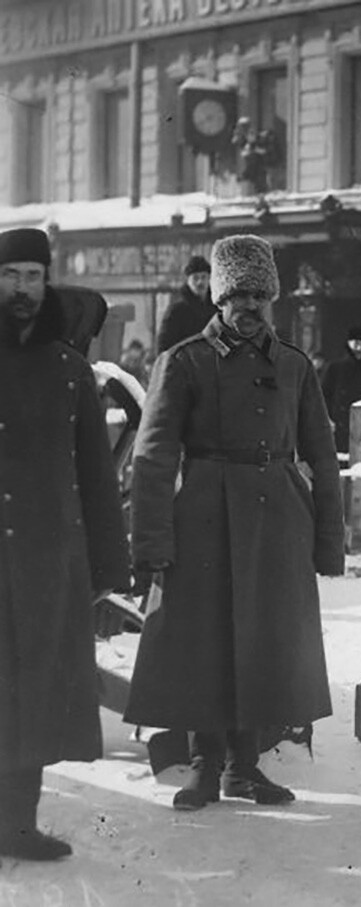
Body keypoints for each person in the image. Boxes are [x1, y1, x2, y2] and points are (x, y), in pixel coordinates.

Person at [124, 234, 344, 811]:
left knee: (265, 640)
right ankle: (203, 766)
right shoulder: (184, 361)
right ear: (219, 298)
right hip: (203, 518)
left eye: (259, 295)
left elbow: (322, 457)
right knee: (205, 640)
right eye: (237, 294)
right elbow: (151, 457)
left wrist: (327, 542)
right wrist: (151, 541)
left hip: (278, 520)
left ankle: (246, 769)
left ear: (271, 298)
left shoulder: (295, 366)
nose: (248, 306)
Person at [0, 227, 131, 861]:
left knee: (34, 695)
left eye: (31, 275)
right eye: (9, 275)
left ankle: (18, 825)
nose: (21, 288)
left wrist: (110, 562)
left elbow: (96, 476)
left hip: (46, 561)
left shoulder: (70, 371)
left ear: (46, 281)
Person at [156, 255, 216, 352]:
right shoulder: (177, 311)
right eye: (195, 278)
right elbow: (164, 346)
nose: (200, 282)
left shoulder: (217, 308)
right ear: (188, 281)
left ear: (209, 279)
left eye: (203, 277)